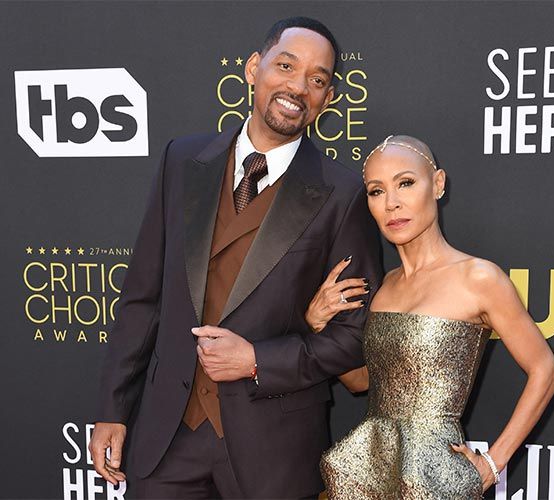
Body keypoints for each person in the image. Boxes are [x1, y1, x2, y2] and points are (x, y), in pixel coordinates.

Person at [88, 17, 383, 499]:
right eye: (286, 66)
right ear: (252, 68)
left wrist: (256, 361)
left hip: (275, 451)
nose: (298, 87)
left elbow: (354, 338)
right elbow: (143, 299)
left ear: (328, 98)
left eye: (317, 79)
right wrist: (112, 410)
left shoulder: (343, 193)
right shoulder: (181, 161)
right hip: (168, 440)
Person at [305, 135, 554, 499]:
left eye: (406, 183)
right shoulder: (383, 287)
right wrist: (320, 329)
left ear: (437, 184)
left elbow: (544, 370)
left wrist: (493, 462)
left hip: (433, 479)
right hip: (367, 471)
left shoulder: (479, 278)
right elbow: (362, 383)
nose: (392, 203)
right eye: (377, 191)